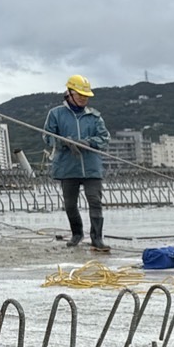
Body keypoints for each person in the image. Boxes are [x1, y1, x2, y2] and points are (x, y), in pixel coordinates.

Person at [44, 74, 112, 252]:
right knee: (70, 204)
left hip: (91, 167)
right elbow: (47, 137)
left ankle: (97, 238)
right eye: (80, 95)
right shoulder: (56, 114)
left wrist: (88, 143)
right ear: (70, 93)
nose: (83, 99)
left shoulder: (95, 117)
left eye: (86, 96)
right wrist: (64, 142)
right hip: (67, 166)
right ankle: (77, 234)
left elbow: (105, 138)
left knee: (95, 201)